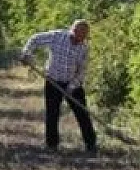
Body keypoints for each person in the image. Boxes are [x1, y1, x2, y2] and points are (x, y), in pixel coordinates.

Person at [21, 19, 98, 154]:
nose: (81, 38)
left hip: (72, 83)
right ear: (73, 31)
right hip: (53, 80)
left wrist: (72, 86)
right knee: (52, 113)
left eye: (84, 36)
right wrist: (27, 53)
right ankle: (52, 145)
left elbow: (82, 71)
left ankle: (91, 144)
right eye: (80, 35)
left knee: (82, 113)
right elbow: (35, 39)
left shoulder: (84, 48)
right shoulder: (57, 36)